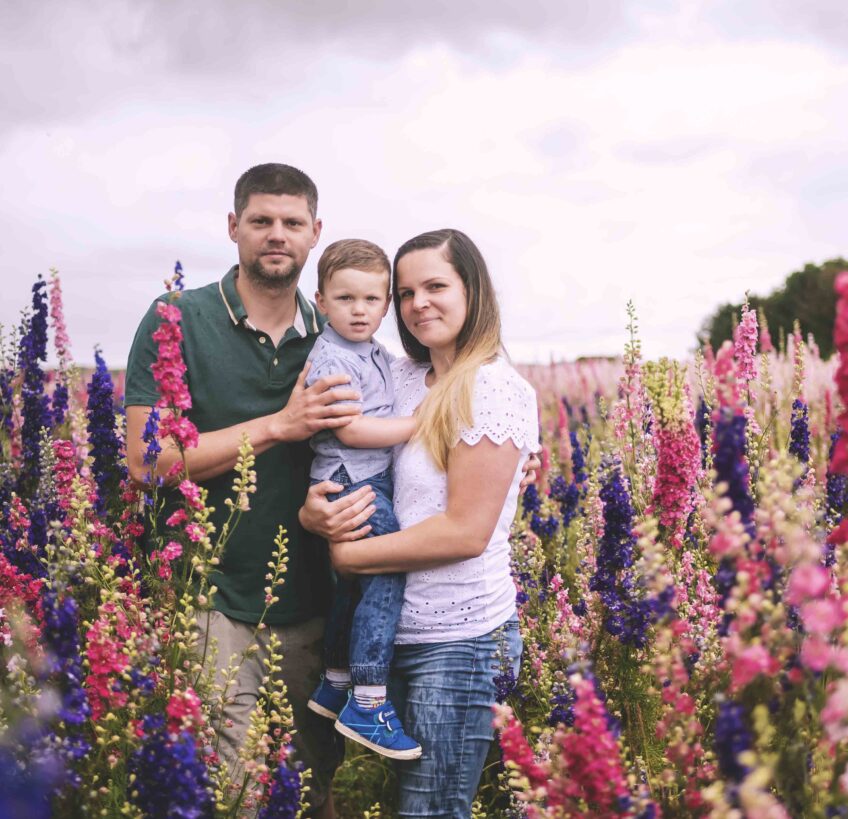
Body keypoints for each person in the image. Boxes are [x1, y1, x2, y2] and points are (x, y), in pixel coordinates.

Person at [124, 163, 378, 819]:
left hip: (315, 599)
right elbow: (148, 462)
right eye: (261, 220)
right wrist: (277, 425)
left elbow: (415, 406)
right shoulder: (178, 318)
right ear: (233, 226)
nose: (277, 234)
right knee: (234, 791)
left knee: (310, 785)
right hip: (211, 594)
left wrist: (506, 448)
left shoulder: (339, 332)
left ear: (315, 233)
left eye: (292, 223)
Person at [323, 228, 540, 817]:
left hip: (460, 644)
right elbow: (339, 457)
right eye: (406, 292)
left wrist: (347, 556)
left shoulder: (493, 388)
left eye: (437, 286)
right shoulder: (397, 378)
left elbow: (464, 532)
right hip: (387, 633)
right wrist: (314, 511)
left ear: (473, 290)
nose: (419, 304)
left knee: (431, 811)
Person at [302, 238, 421, 760]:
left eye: (372, 300)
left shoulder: (374, 351)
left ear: (386, 302)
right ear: (321, 301)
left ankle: (334, 680)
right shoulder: (330, 357)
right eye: (345, 299)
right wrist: (420, 425)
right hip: (351, 480)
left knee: (360, 578)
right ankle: (368, 698)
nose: (359, 310)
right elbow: (349, 430)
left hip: (370, 479)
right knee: (389, 565)